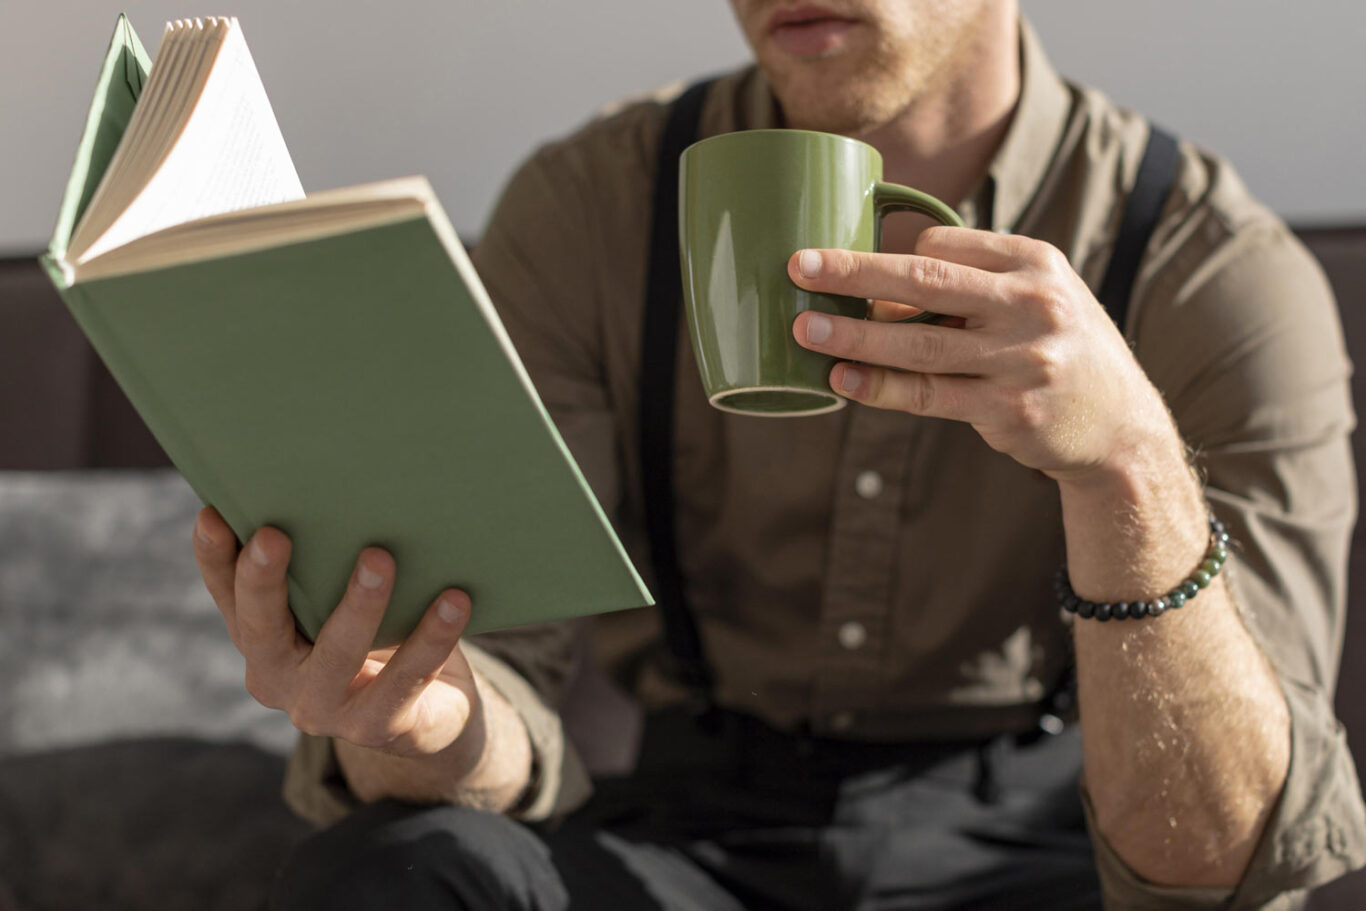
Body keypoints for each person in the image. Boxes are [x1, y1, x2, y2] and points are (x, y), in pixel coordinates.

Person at [192, 1, 1366, 908]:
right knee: (404, 867)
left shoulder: (1209, 266)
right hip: (694, 835)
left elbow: (1223, 860)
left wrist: (1128, 474)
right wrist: (421, 718)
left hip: (1044, 842)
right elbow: (495, 694)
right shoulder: (591, 209)